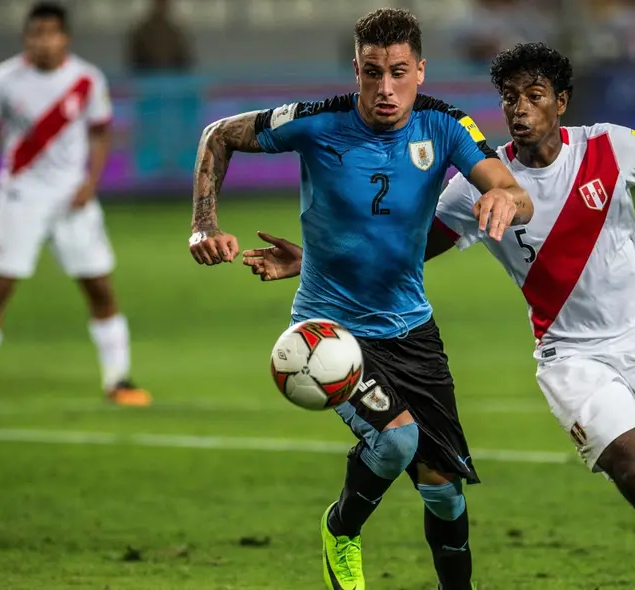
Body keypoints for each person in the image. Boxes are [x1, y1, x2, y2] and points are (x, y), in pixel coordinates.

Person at [243, 43, 635, 590]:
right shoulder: (475, 186)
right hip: (571, 358)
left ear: (561, 101)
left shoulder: (610, 147)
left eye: (533, 94)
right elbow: (403, 250)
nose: (518, 107)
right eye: (509, 96)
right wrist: (311, 260)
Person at [186, 9, 532, 590]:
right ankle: (342, 529)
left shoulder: (445, 125)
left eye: (399, 72)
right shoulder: (317, 123)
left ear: (420, 71)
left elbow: (510, 187)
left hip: (412, 330)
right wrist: (203, 224)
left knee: (444, 494)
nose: (385, 89)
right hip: (330, 332)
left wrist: (507, 201)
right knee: (395, 439)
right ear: (356, 69)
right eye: (372, 73)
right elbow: (217, 134)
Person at [0, 1, 151, 411]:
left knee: (100, 287)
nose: (43, 41)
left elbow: (101, 135)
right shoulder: (4, 79)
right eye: (35, 33)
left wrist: (90, 183)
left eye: (50, 32)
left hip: (72, 200)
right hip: (20, 196)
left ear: (66, 37)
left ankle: (119, 380)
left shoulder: (86, 80)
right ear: (27, 38)